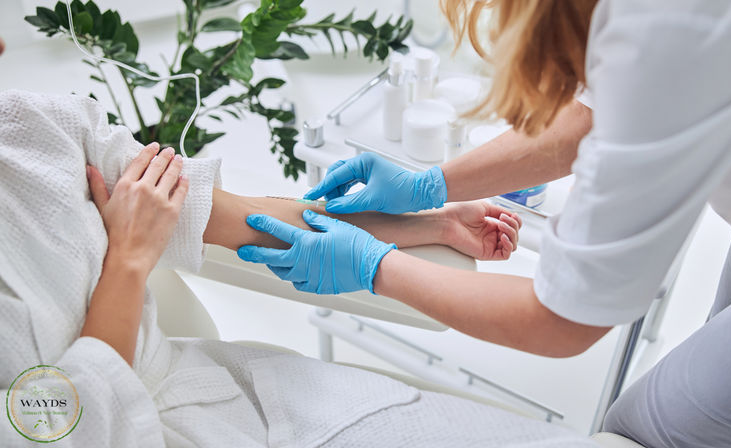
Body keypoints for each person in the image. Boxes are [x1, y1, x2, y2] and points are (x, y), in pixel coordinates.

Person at [237, 0, 731, 446]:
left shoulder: (672, 41)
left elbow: (563, 322)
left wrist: (374, 265)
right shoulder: (661, 35)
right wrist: (431, 187)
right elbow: (592, 117)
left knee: (636, 433)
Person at [0, 89, 601, 447]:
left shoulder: (32, 124)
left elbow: (231, 216)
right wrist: (128, 262)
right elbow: (48, 426)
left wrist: (430, 214)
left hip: (239, 397)